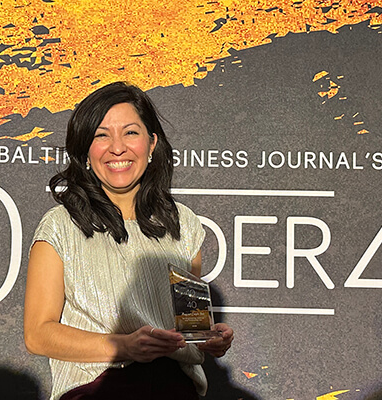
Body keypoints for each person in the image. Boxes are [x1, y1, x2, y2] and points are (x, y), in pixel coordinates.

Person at [23, 81, 234, 400]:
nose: (117, 147)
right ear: (85, 151)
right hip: (97, 390)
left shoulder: (183, 223)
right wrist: (123, 347)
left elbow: (192, 326)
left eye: (131, 132)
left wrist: (208, 339)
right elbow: (38, 334)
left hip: (175, 390)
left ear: (152, 144)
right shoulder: (60, 226)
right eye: (101, 135)